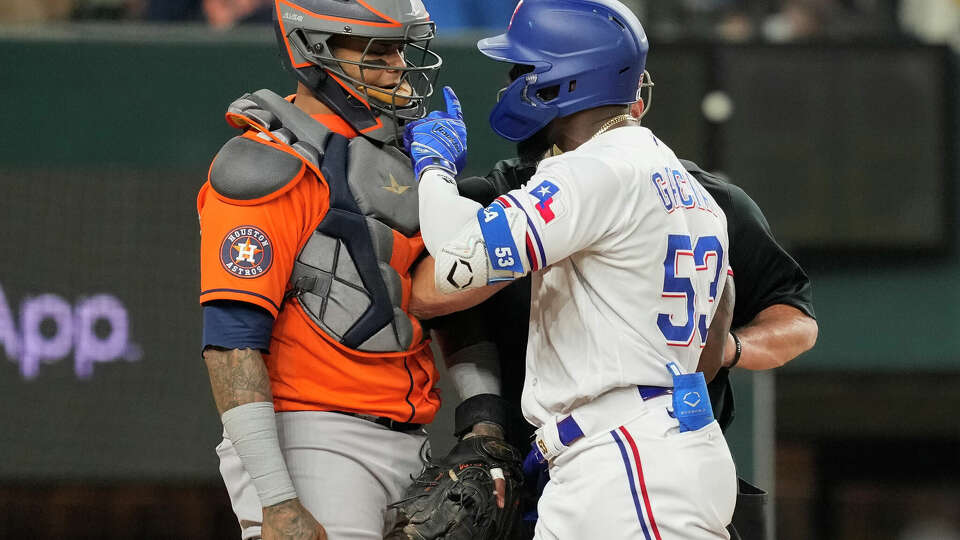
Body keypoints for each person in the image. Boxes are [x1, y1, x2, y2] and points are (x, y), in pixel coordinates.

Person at [405, 0, 738, 537]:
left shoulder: (595, 170)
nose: (514, 81)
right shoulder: (685, 185)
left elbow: (460, 255)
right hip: (642, 443)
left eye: (524, 69)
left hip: (628, 457)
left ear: (566, 79)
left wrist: (435, 170)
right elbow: (714, 336)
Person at [197, 2, 505, 539]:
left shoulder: (409, 158)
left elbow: (445, 300)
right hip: (311, 441)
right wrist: (277, 501)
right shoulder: (266, 163)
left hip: (413, 443)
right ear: (313, 49)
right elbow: (231, 342)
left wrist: (483, 421)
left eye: (399, 50)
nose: (398, 67)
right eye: (376, 51)